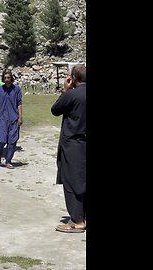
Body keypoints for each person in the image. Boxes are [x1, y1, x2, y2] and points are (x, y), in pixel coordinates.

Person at [51, 64, 86, 233]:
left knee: (72, 181)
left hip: (73, 144)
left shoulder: (72, 95)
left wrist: (65, 90)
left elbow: (55, 110)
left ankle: (78, 221)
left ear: (74, 78)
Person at [0, 69, 22, 169]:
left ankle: (8, 161)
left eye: (8, 77)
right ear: (3, 78)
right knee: (2, 140)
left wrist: (20, 117)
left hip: (13, 118)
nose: (7, 79)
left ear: (11, 78)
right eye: (5, 78)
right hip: (2, 118)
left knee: (12, 141)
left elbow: (19, 103)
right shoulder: (0, 89)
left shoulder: (17, 89)